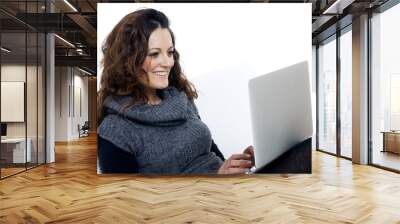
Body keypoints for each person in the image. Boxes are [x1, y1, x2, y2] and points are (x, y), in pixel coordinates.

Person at [98, 8, 254, 174]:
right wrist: (216, 181)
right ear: (128, 60)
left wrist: (238, 164)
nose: (167, 62)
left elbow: (211, 156)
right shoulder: (115, 130)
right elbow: (129, 199)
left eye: (170, 52)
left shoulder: (180, 99)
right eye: (154, 54)